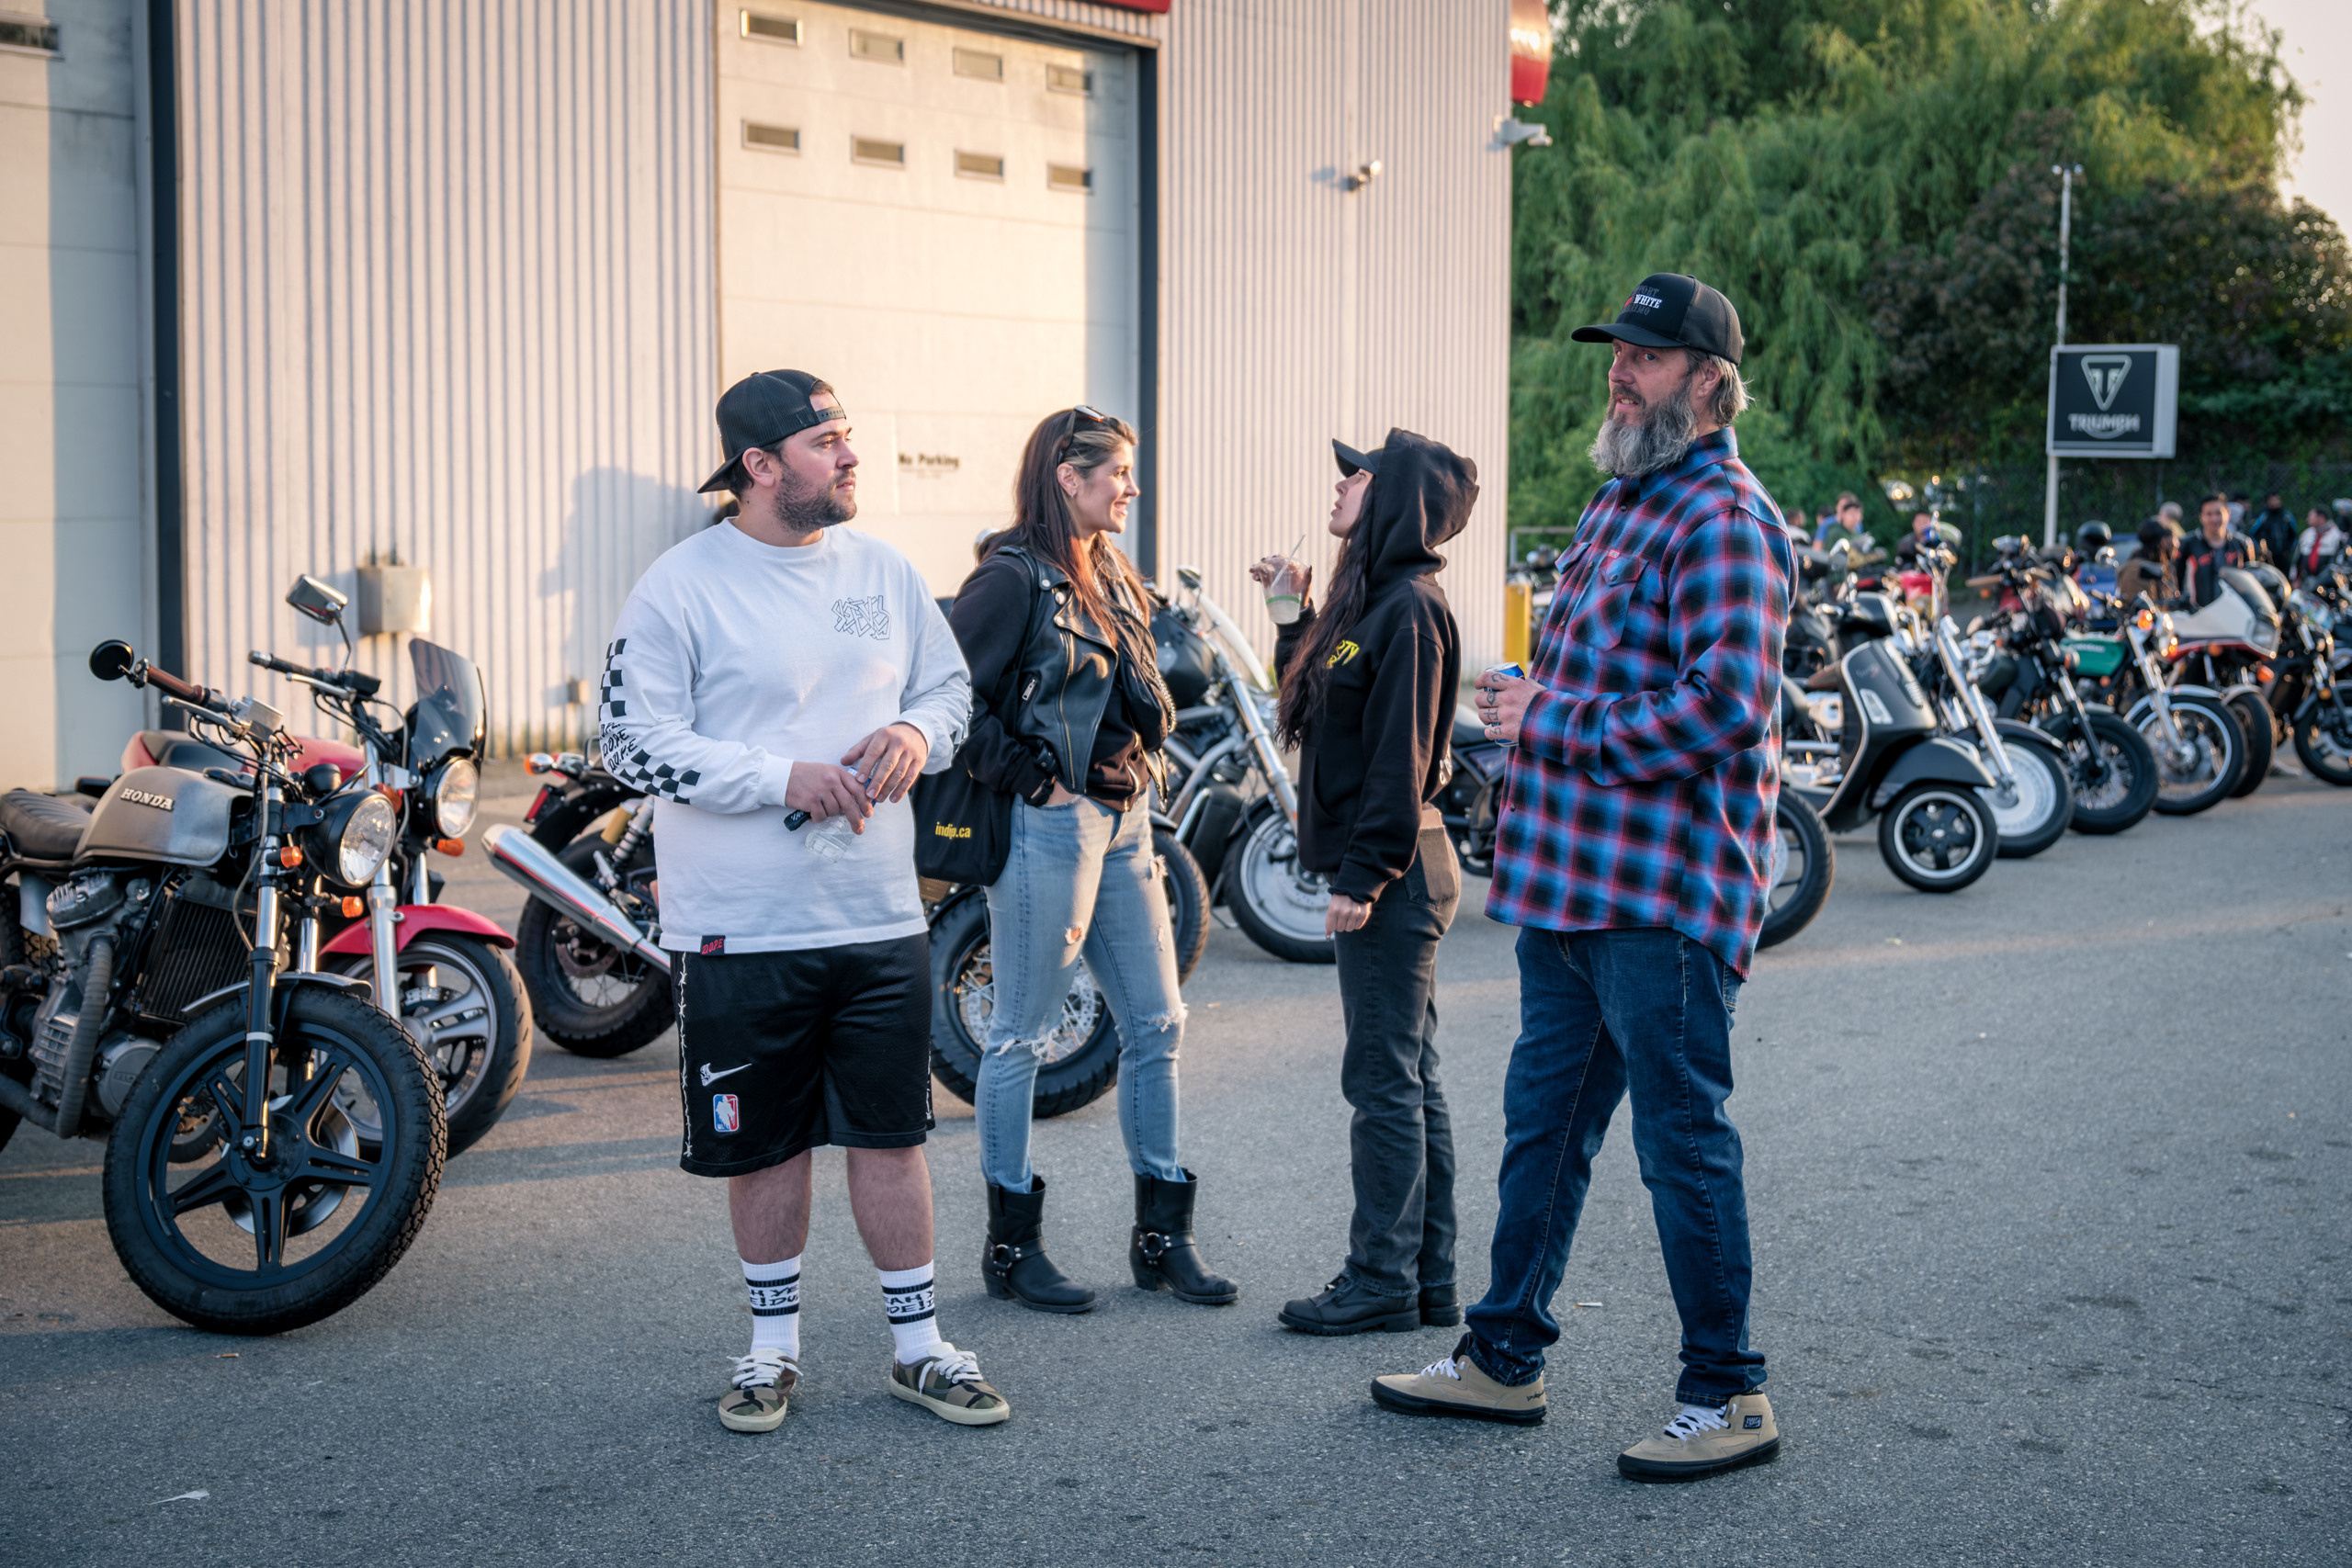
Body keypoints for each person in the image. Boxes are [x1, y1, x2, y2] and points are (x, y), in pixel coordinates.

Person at [1371, 274, 1792, 1482]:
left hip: (1661, 897)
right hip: (1566, 887)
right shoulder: (1623, 501)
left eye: (1649, 357)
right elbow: (1594, 689)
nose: (1621, 368)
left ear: (1708, 379)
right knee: (1542, 1129)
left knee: (1684, 1143)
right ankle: (1505, 1354)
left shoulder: (1727, 519)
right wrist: (1523, 709)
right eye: (1619, 351)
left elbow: (1724, 709)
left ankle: (1729, 1389)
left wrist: (1550, 717)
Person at [598, 369, 1008, 1434]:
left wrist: (919, 736)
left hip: (878, 916)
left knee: (891, 1136)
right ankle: (769, 1350)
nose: (850, 455)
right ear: (760, 466)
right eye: (827, 440)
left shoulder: (883, 570)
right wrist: (781, 777)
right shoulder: (680, 585)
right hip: (739, 927)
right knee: (766, 1142)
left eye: (847, 435)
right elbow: (633, 744)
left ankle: (918, 1348)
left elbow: (949, 690)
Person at [946, 406, 1236, 1314]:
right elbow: (950, 701)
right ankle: (1010, 1250)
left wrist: (1139, 770)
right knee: (1022, 1036)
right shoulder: (1010, 579)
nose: (1130, 488)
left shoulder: (1109, 571)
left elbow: (1140, 687)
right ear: (1066, 478)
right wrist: (1035, 784)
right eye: (1116, 472)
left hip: (1125, 823)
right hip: (1050, 826)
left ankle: (1162, 1240)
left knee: (1156, 1023)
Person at [1246, 429, 1475, 1337]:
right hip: (1396, 867)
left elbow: (1399, 758)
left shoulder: (1412, 609)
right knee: (1408, 1079)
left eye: (1356, 475)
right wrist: (1290, 621)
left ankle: (1381, 1278)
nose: (1338, 486)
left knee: (1383, 1084)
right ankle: (1425, 1281)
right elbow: (1311, 714)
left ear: (1395, 499)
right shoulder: (1371, 602)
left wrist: (1365, 875)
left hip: (1400, 868)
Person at [2179, 493, 2255, 608]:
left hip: (2236, 611)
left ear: (2227, 513)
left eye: (2218, 513)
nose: (2214, 519)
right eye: (2209, 514)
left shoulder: (2241, 543)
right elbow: (2176, 579)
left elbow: (2251, 580)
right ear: (2201, 516)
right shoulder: (2188, 544)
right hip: (2199, 614)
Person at [2115, 518, 2179, 605]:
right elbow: (2140, 610)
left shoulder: (2163, 567)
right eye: (2174, 538)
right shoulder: (2137, 570)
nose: (2177, 543)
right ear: (2164, 541)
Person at [2295, 504, 2346, 581]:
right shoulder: (2306, 534)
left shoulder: (2337, 536)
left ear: (2321, 517)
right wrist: (2296, 579)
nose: (2308, 519)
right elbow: (2298, 559)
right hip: (2307, 580)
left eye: (2311, 516)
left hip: (2328, 581)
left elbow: (2339, 562)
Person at [2249, 492, 2296, 569]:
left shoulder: (2286, 516)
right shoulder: (2264, 516)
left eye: (2276, 500)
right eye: (2272, 500)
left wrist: (2289, 550)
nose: (2274, 502)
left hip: (2283, 556)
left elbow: (2294, 534)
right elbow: (2252, 533)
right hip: (2267, 556)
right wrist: (2259, 548)